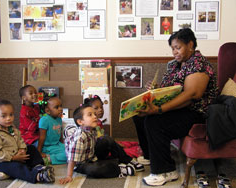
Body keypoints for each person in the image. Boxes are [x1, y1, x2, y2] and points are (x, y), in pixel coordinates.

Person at [132, 28, 218, 186]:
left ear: (190, 44)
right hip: (179, 109)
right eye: (172, 48)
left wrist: (159, 110)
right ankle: (152, 155)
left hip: (196, 112)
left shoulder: (199, 64)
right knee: (139, 115)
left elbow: (192, 95)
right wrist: (155, 88)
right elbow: (170, 89)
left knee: (154, 122)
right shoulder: (174, 64)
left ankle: (165, 171)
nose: (174, 52)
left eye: (178, 47)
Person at [59, 104, 144, 184]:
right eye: (90, 115)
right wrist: (69, 176)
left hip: (91, 156)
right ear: (80, 122)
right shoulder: (79, 138)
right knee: (94, 169)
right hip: (80, 164)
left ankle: (126, 160)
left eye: (95, 114)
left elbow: (99, 143)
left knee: (106, 139)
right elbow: (72, 159)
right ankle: (119, 170)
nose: (95, 116)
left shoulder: (92, 129)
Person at [0, 100, 55, 183]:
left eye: (11, 115)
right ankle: (36, 176)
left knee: (31, 148)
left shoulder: (12, 128)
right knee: (15, 167)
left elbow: (20, 140)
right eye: (4, 116)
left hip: (16, 154)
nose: (8, 118)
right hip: (0, 161)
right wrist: (13, 157)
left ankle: (39, 167)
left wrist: (22, 150)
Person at [37, 96, 67, 165]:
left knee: (71, 151)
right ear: (47, 111)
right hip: (48, 147)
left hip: (57, 145)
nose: (60, 109)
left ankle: (56, 157)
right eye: (57, 107)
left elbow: (60, 134)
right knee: (67, 156)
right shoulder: (44, 120)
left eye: (61, 106)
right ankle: (49, 159)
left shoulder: (59, 119)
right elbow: (41, 137)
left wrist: (63, 144)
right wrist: (39, 152)